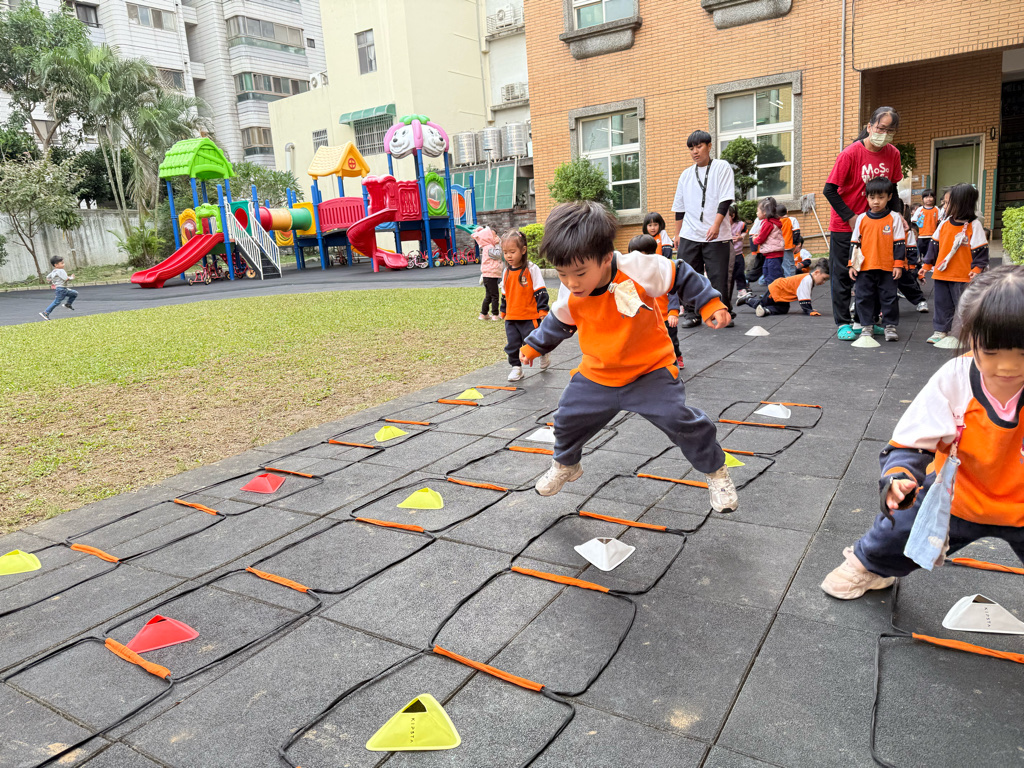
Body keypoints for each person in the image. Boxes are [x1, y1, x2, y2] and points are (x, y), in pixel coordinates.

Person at [820, 265, 1024, 599]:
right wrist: (899, 476)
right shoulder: (955, 377)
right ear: (970, 337)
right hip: (958, 493)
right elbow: (912, 441)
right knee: (897, 530)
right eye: (991, 352)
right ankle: (868, 566)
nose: (1008, 366)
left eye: (1023, 354)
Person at [519, 201, 738, 512]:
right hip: (598, 374)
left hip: (649, 370)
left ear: (606, 257)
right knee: (566, 419)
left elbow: (681, 274)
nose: (571, 283)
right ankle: (567, 464)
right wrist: (534, 346)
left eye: (580, 273)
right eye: (563, 274)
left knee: (679, 420)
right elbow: (559, 321)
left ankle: (715, 471)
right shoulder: (571, 290)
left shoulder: (637, 268)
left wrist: (709, 303)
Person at [823, 106, 905, 341]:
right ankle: (843, 323)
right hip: (845, 226)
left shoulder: (893, 154)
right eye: (881, 128)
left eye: (890, 131)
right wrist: (851, 218)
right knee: (844, 275)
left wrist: (898, 215)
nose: (885, 134)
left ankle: (864, 321)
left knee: (874, 274)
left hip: (878, 227)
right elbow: (829, 190)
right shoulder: (850, 154)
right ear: (869, 127)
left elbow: (893, 188)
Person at [672, 130, 736, 327]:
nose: (695, 151)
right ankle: (692, 313)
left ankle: (722, 312)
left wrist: (716, 225)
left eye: (699, 147)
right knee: (688, 274)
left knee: (718, 276)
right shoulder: (685, 175)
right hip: (690, 233)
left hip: (717, 235)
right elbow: (679, 208)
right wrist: (677, 234)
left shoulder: (721, 167)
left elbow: (726, 200)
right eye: (691, 148)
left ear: (709, 146)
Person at [919, 183, 989, 344]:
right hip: (942, 274)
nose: (944, 206)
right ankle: (940, 330)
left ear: (963, 204)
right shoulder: (944, 224)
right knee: (942, 304)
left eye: (947, 203)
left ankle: (970, 332)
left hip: (964, 276)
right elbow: (934, 247)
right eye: (944, 202)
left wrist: (977, 269)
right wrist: (926, 266)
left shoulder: (974, 226)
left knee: (966, 306)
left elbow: (981, 250)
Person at [849, 177, 906, 342]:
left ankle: (890, 326)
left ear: (889, 197)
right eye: (872, 197)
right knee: (863, 297)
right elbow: (855, 243)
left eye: (881, 197)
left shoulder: (894, 218)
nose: (876, 201)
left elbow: (899, 243)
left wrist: (898, 265)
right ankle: (867, 326)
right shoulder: (861, 218)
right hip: (865, 267)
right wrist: (852, 265)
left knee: (889, 297)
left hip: (887, 267)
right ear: (866, 197)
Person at [499, 229, 550, 381]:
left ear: (523, 250)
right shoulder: (506, 272)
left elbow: (540, 290)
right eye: (505, 252)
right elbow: (504, 293)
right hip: (512, 317)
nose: (508, 256)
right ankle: (516, 368)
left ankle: (543, 352)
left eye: (512, 252)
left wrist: (543, 310)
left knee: (533, 341)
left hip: (530, 316)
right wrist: (503, 310)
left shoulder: (532, 269)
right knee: (512, 344)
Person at [629, 233, 683, 367]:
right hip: (646, 319)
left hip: (665, 317)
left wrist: (673, 312)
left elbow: (672, 293)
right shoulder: (631, 275)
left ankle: (676, 358)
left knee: (671, 341)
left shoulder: (661, 273)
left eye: (641, 257)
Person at [737, 258, 829, 316]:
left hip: (781, 291)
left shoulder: (808, 279)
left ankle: (766, 310)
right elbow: (804, 298)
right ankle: (747, 299)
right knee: (762, 303)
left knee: (783, 309)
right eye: (824, 278)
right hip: (777, 288)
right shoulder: (807, 280)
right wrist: (809, 311)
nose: (824, 282)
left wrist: (809, 309)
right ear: (816, 272)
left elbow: (805, 297)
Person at [898, 217, 929, 313]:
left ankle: (920, 301)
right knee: (883, 289)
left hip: (902, 265)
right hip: (885, 264)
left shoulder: (908, 232)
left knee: (908, 284)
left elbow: (912, 251)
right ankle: (882, 310)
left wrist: (911, 267)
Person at [753, 197, 785, 284]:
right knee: (768, 273)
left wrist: (755, 240)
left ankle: (775, 292)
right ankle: (771, 291)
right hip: (772, 254)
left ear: (764, 212)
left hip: (772, 254)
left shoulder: (768, 223)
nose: (756, 213)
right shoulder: (771, 222)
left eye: (758, 211)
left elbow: (761, 238)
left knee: (772, 277)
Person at [476, 227, 504, 321]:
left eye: (496, 235)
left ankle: (483, 313)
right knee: (495, 295)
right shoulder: (489, 247)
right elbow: (498, 254)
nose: (496, 237)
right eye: (493, 236)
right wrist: (498, 244)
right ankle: (495, 314)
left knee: (489, 295)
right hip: (490, 275)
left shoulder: (489, 246)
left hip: (489, 275)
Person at [40, 256, 77, 321]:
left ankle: (68, 304)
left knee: (74, 293)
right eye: (62, 263)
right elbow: (66, 279)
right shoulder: (61, 270)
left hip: (62, 289)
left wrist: (54, 282)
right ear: (56, 265)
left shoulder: (54, 271)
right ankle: (45, 313)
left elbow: (48, 278)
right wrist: (71, 277)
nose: (64, 264)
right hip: (61, 289)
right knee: (57, 302)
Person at [729, 204, 750, 299]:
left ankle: (741, 290)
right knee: (729, 275)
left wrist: (741, 237)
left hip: (738, 253)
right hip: (727, 254)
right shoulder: (722, 226)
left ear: (733, 215)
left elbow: (745, 230)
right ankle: (726, 292)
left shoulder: (740, 224)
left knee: (740, 272)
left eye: (727, 217)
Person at [913, 188, 940, 260]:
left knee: (931, 252)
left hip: (933, 235)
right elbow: (914, 220)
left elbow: (940, 221)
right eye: (926, 197)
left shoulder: (936, 209)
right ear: (922, 199)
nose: (928, 199)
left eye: (931, 197)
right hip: (921, 235)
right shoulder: (920, 209)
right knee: (921, 251)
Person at [779, 204, 799, 277]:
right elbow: (796, 232)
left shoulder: (777, 221)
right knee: (790, 264)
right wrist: (795, 244)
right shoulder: (792, 220)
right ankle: (790, 280)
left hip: (778, 246)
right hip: (788, 245)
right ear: (787, 211)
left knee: (782, 265)